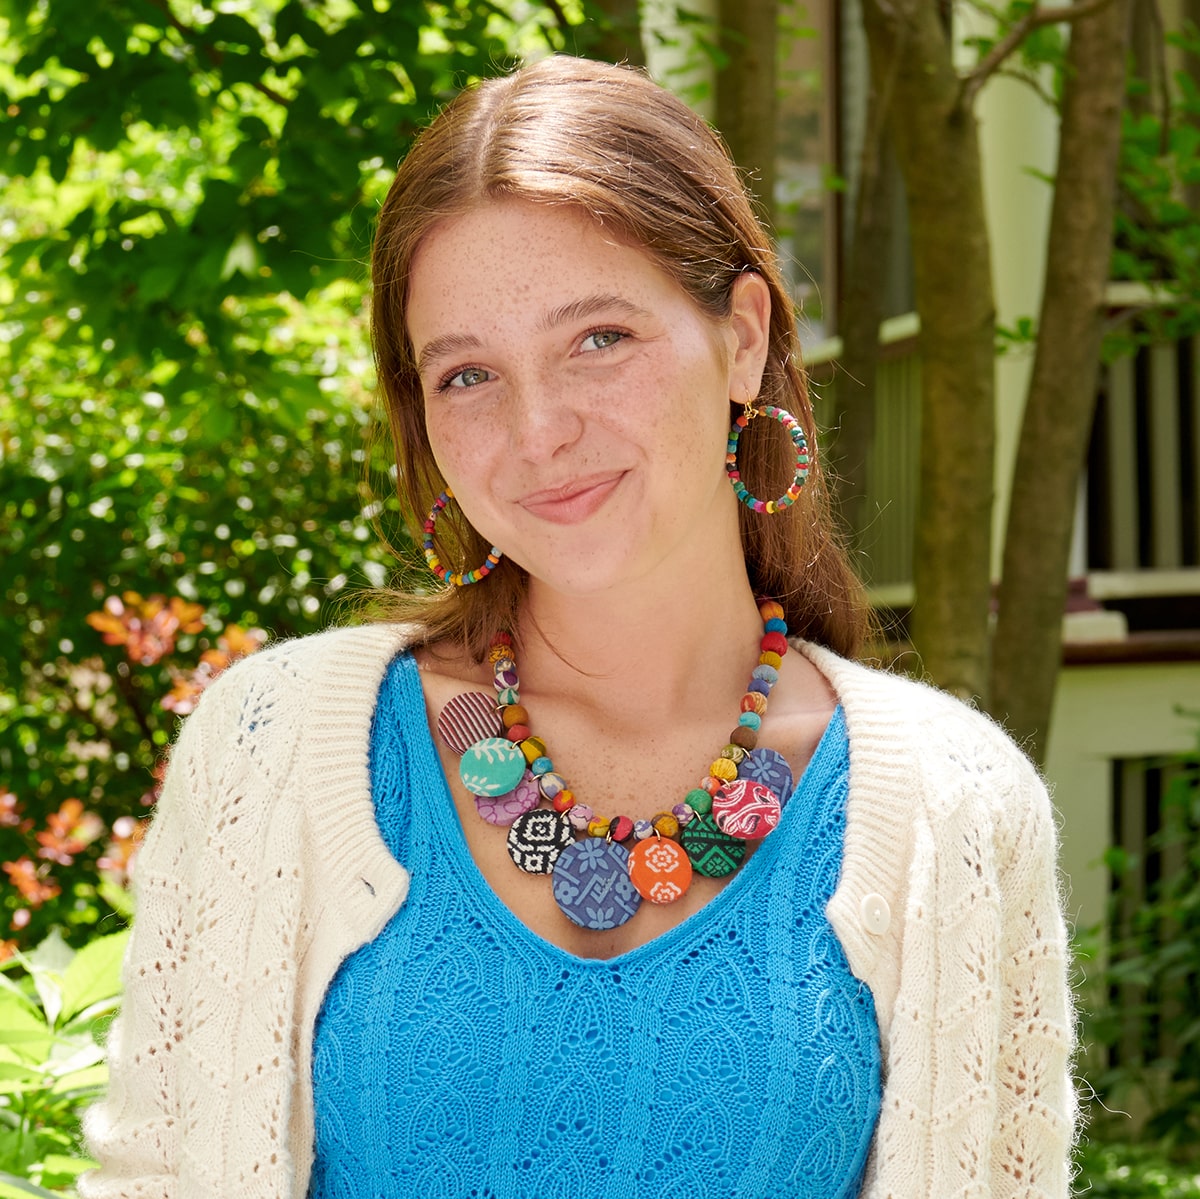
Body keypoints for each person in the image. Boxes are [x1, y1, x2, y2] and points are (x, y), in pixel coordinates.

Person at [81, 55, 1075, 1199]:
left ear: (742, 338)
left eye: (599, 337)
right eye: (466, 375)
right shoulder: (274, 745)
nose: (539, 428)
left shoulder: (955, 806)